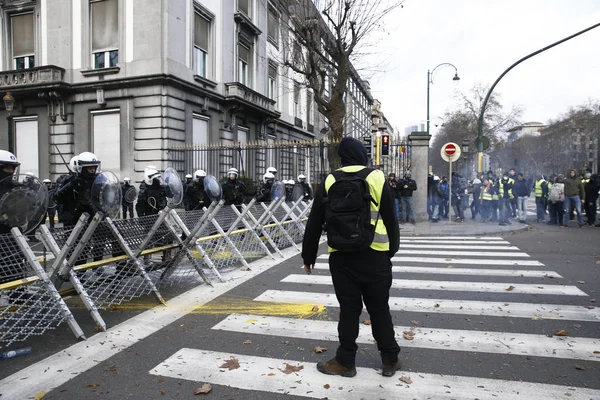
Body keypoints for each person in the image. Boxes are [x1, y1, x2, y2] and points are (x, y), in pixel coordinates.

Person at [301, 137, 401, 378]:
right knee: (379, 309)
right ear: (361, 155)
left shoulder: (329, 179)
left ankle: (345, 362)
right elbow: (390, 216)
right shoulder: (376, 176)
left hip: (342, 257)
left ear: (342, 156)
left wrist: (309, 255)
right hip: (375, 255)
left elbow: (315, 221)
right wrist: (391, 249)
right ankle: (389, 360)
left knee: (349, 309)